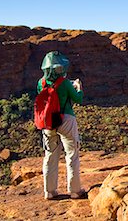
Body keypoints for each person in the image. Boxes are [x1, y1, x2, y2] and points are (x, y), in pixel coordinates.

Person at [37, 51, 85, 200]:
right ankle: (75, 191)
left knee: (50, 155)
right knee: (72, 155)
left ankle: (49, 192)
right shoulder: (64, 83)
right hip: (65, 120)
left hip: (48, 122)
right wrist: (79, 87)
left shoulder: (41, 82)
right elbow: (78, 99)